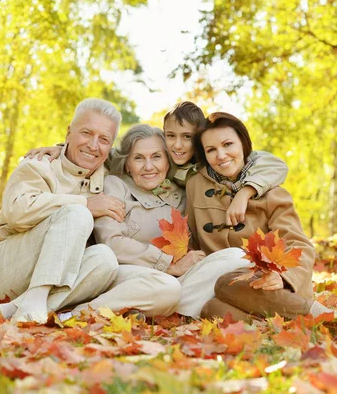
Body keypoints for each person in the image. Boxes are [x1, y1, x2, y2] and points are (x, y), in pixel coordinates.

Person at [0, 99, 178, 327]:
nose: (93, 145)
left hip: (61, 275)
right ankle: (33, 300)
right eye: (86, 133)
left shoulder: (106, 169)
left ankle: (24, 310)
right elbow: (17, 212)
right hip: (1, 269)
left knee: (111, 261)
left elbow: (144, 153)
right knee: (78, 214)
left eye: (104, 139)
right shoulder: (39, 164)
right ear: (69, 132)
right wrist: (85, 203)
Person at [23, 101, 290, 227]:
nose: (177, 146)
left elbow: (272, 163)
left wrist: (245, 192)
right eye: (170, 137)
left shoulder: (207, 159)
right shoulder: (163, 157)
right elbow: (110, 154)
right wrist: (62, 148)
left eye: (187, 138)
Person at [92, 124, 253, 317]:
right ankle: (83, 312)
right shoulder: (115, 186)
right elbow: (111, 243)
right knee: (166, 287)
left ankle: (158, 311)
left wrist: (247, 191)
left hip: (177, 281)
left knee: (237, 257)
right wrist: (168, 264)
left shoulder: (184, 192)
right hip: (132, 276)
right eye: (138, 158)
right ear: (127, 164)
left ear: (168, 161)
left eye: (156, 156)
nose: (149, 166)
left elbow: (255, 160)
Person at [185, 112, 334, 321]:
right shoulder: (195, 186)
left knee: (225, 284)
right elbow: (190, 238)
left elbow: (299, 246)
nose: (221, 155)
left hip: (269, 284)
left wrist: (283, 277)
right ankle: (281, 328)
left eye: (228, 144)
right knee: (211, 308)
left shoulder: (273, 193)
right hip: (220, 290)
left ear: (243, 144)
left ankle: (326, 317)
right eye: (211, 150)